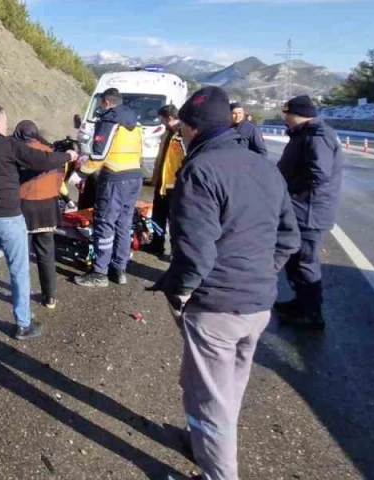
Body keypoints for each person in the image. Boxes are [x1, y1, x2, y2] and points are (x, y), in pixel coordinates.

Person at [154, 86, 300, 480]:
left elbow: (195, 252)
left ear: (193, 128)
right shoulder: (264, 167)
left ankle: (219, 473)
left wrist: (180, 292)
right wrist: (261, 273)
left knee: (211, 398)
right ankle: (202, 443)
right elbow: (290, 238)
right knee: (225, 387)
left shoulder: (199, 170)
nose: (181, 137)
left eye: (182, 130)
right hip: (258, 304)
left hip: (216, 306)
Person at [0, 105, 75, 340]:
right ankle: (22, 324)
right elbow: (41, 160)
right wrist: (67, 156)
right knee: (19, 270)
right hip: (9, 218)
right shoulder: (9, 145)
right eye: (5, 124)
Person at [275, 94, 343, 328]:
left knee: (305, 262)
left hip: (309, 211)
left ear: (298, 114)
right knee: (295, 260)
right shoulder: (305, 133)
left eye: (287, 114)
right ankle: (301, 303)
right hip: (301, 209)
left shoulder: (317, 136)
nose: (285, 119)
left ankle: (312, 314)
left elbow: (318, 174)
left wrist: (288, 188)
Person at [74, 88, 143, 288]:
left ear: (106, 102)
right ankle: (119, 269)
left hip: (114, 178)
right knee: (124, 224)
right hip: (134, 176)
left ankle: (99, 272)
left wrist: (80, 173)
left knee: (105, 223)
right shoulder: (135, 121)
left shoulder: (110, 120)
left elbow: (98, 155)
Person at [13, 120, 68, 310]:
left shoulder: (19, 153)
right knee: (46, 254)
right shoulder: (50, 152)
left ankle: (21, 296)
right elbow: (60, 179)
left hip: (25, 208)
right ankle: (50, 297)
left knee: (21, 256)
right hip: (48, 208)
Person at [141, 104, 183, 261]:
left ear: (169, 118)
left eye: (163, 119)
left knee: (174, 219)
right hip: (161, 182)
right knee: (158, 215)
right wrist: (155, 178)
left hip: (174, 184)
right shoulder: (167, 133)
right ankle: (156, 244)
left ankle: (175, 250)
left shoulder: (182, 134)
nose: (162, 122)